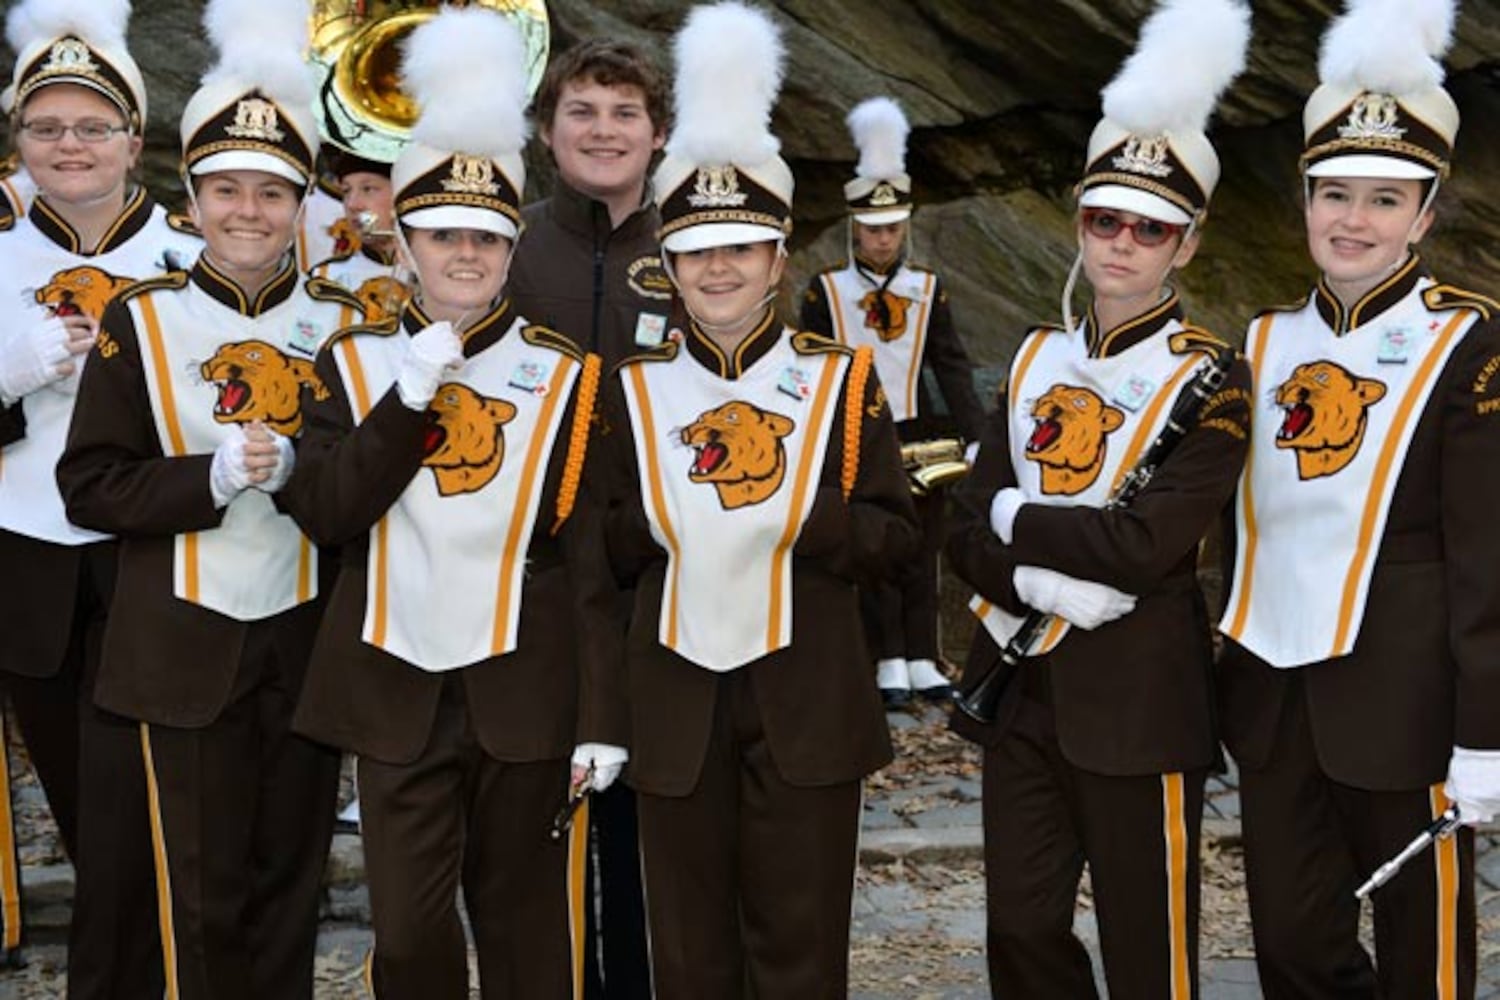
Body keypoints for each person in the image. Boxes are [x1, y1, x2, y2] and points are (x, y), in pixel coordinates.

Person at [281, 8, 618, 997]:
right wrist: (409, 394)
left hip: (527, 689)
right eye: (441, 235)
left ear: (512, 246)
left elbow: (591, 557)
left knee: (528, 941)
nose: (463, 254)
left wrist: (602, 714)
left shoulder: (569, 375)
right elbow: (329, 512)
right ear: (407, 240)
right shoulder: (348, 362)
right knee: (413, 936)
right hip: (395, 691)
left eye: (485, 235)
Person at [585, 4, 917, 995]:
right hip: (673, 701)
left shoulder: (842, 380)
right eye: (695, 250)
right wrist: (656, 527)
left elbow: (898, 535)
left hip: (806, 702)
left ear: (778, 259)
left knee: (801, 951)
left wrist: (800, 518)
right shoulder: (628, 391)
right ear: (670, 267)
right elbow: (597, 554)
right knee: (687, 953)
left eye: (740, 248)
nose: (717, 268)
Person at [945, 1, 1253, 996]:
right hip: (1021, 691)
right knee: (1021, 934)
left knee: (1149, 949)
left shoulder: (1216, 378)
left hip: (1139, 701)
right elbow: (960, 525)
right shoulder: (1036, 356)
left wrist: (1012, 520)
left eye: (1150, 227)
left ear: (1187, 245)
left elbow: (1143, 545)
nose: (1123, 242)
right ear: (1080, 223)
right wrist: (1026, 565)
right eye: (1105, 218)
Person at [55, 1, 359, 995]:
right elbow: (89, 485)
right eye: (226, 188)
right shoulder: (139, 320)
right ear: (192, 194)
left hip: (305, 640)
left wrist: (303, 473)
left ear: (301, 201)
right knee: (194, 887)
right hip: (178, 646)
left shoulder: (348, 324)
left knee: (289, 882)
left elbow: (369, 481)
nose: (249, 211)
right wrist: (209, 479)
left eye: (272, 193)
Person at [1217, 1, 1500, 995]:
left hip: (1408, 702)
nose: (1353, 220)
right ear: (1303, 203)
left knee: (1425, 956)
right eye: (1334, 193)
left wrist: (1486, 734)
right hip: (1275, 700)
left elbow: (1486, 559)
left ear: (1425, 215)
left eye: (1385, 200)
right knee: (1294, 945)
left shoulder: (1471, 342)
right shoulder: (1256, 342)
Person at [0, 0, 201, 991]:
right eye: (46, 126)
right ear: (19, 138)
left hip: (145, 562)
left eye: (92, 124)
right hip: (27, 564)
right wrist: (11, 367)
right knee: (86, 809)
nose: (68, 144)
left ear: (134, 137)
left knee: (132, 806)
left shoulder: (189, 253)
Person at [507, 37, 670, 998]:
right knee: (539, 836)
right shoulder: (502, 241)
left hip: (657, 583)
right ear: (544, 129)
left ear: (658, 137)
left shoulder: (701, 250)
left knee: (651, 835)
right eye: (582, 110)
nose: (602, 130)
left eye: (625, 113)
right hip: (532, 584)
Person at [800, 96, 985, 708]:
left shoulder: (927, 289)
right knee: (874, 544)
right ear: (855, 227)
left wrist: (976, 432)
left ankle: (922, 656)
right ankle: (884, 660)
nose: (882, 240)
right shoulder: (825, 290)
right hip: (853, 432)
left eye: (892, 229)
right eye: (872, 229)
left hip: (918, 431)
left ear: (906, 227)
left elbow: (952, 366)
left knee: (924, 547)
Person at [310, 146, 411, 324]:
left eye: (368, 189)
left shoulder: (435, 276)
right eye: (346, 191)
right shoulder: (324, 276)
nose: (352, 204)